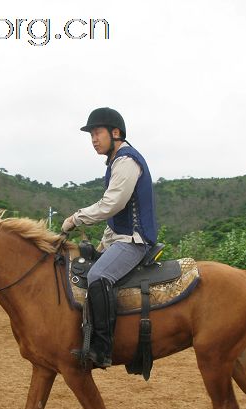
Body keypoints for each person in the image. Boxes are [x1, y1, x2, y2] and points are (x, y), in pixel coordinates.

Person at [62, 107, 158, 369]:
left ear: (115, 133)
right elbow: (115, 220)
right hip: (121, 239)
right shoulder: (116, 162)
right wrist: (103, 245)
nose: (93, 139)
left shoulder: (126, 160)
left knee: (97, 276)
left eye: (97, 132)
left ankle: (103, 347)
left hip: (135, 241)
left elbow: (111, 205)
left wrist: (75, 218)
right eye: (90, 134)